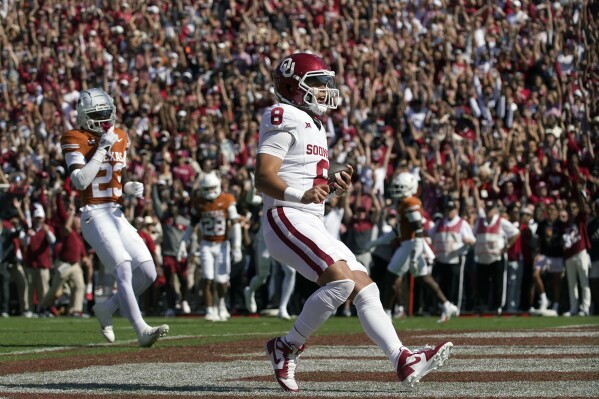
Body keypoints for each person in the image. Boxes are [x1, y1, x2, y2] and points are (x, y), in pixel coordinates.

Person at [255, 53, 452, 393]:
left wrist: (328, 186)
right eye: (316, 82)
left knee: (366, 287)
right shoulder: (283, 114)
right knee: (341, 284)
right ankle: (286, 346)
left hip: (310, 219)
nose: (325, 89)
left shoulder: (315, 124)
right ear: (292, 86)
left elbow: (302, 176)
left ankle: (402, 358)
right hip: (284, 216)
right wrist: (302, 194)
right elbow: (264, 177)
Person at [60, 88, 168, 347]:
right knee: (122, 267)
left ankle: (106, 308)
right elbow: (79, 180)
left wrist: (128, 188)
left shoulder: (119, 136)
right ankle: (141, 329)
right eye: (99, 114)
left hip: (116, 212)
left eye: (108, 113)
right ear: (86, 116)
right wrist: (101, 149)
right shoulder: (74, 137)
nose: (105, 119)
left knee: (148, 273)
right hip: (93, 214)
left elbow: (115, 178)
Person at [382, 172, 460, 322]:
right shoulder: (403, 202)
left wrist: (416, 253)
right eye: (397, 186)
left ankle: (386, 313)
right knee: (424, 278)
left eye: (401, 187)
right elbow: (400, 230)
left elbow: (418, 228)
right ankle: (446, 304)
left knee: (391, 277)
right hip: (411, 243)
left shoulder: (410, 202)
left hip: (411, 245)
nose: (397, 189)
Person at [181, 171, 242, 321]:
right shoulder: (198, 202)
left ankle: (221, 304)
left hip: (222, 243)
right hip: (206, 243)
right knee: (207, 277)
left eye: (211, 188)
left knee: (221, 280)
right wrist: (183, 243)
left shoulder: (227, 199)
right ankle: (209, 310)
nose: (209, 192)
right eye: (206, 189)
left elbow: (235, 223)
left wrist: (237, 247)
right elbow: (192, 224)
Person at [243, 174, 296, 320]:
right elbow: (250, 200)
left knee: (290, 272)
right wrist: (253, 186)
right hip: (264, 240)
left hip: (282, 239)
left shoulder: (289, 197)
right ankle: (249, 291)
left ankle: (282, 307)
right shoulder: (267, 197)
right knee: (262, 277)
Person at [472, 198, 520, 313]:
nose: (488, 211)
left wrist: (506, 247)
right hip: (482, 258)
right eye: (487, 208)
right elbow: (473, 235)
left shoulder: (501, 221)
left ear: (495, 210)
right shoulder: (480, 221)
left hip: (496, 258)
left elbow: (515, 233)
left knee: (498, 283)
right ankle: (482, 306)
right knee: (482, 284)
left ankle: (497, 306)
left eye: (491, 209)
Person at [429, 199, 476, 316]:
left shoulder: (461, 223)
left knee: (456, 285)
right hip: (441, 259)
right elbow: (430, 234)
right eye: (447, 209)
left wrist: (467, 241)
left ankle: (457, 306)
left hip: (455, 259)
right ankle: (441, 307)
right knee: (439, 284)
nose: (449, 212)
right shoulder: (440, 223)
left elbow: (472, 240)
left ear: (456, 210)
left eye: (452, 209)